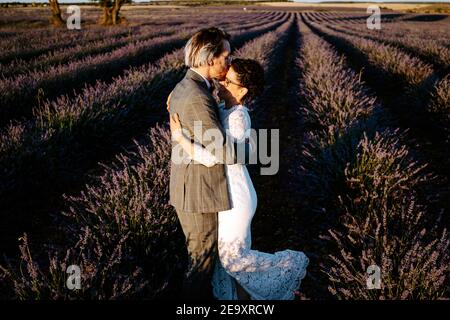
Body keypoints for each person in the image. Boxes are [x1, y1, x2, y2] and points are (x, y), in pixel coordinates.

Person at [169, 58, 309, 300]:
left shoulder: (238, 118)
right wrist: (176, 102)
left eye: (227, 80)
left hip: (236, 197)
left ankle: (289, 268)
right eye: (222, 77)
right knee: (226, 264)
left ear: (242, 90)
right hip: (224, 192)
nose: (220, 82)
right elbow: (198, 109)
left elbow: (219, 157)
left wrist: (180, 139)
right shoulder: (224, 109)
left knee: (234, 259)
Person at [167, 27, 251, 300]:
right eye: (225, 57)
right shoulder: (197, 95)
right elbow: (226, 152)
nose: (228, 64)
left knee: (201, 259)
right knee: (201, 262)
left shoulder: (188, 85)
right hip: (199, 193)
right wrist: (253, 150)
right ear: (208, 58)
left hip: (195, 186)